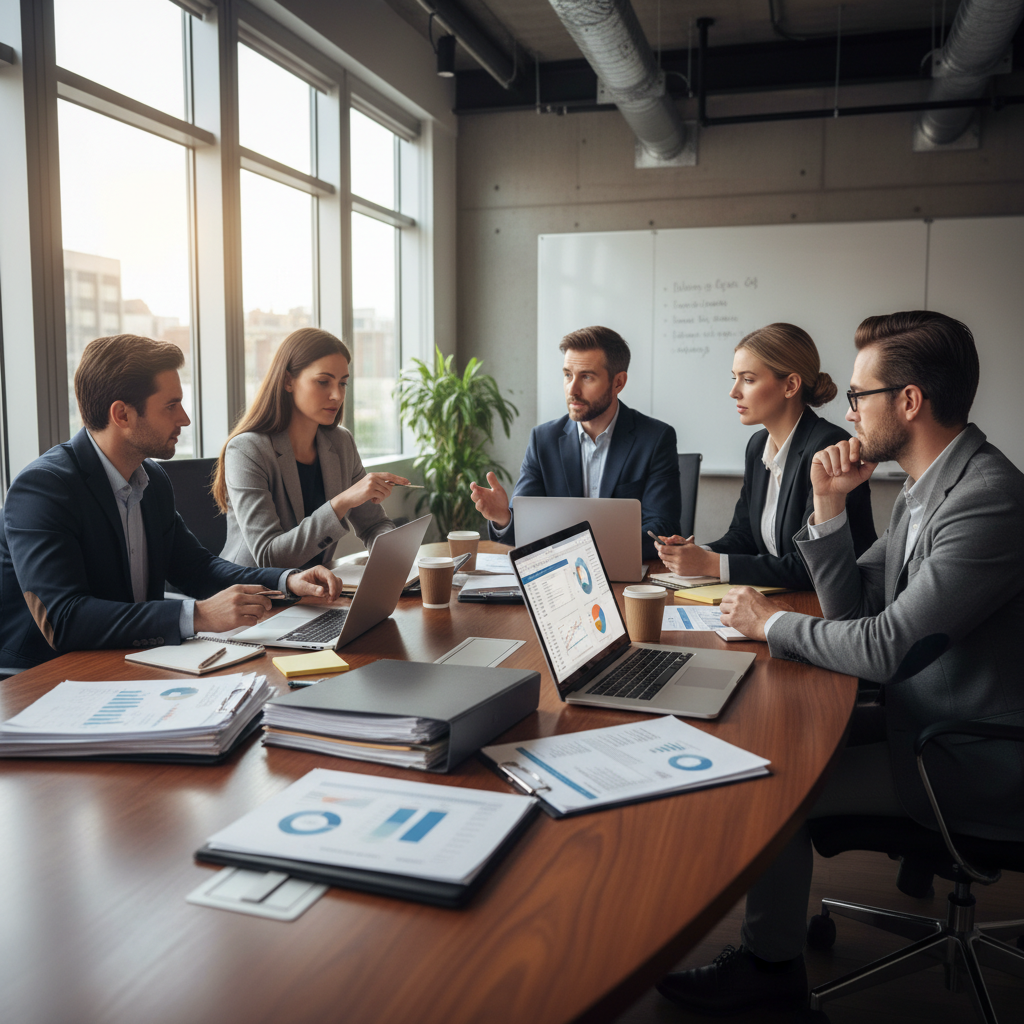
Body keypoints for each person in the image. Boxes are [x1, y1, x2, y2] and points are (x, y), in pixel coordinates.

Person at [656, 310, 1024, 1016]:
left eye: (859, 395)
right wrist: (826, 504)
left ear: (908, 402)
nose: (847, 409)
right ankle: (769, 955)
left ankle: (769, 974)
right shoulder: (928, 487)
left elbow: (884, 648)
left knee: (774, 788)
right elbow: (855, 612)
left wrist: (773, 623)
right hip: (924, 719)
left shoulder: (986, 501)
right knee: (776, 741)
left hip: (968, 756)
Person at [0, 334, 343, 672]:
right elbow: (64, 619)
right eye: (171, 405)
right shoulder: (44, 488)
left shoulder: (151, 479)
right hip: (46, 675)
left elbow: (197, 569)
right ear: (122, 415)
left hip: (128, 657)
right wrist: (199, 615)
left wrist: (286, 581)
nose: (185, 419)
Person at [655, 323, 876, 589]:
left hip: (831, 609)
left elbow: (812, 564)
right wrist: (696, 552)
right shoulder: (758, 445)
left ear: (791, 385)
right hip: (781, 600)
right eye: (734, 378)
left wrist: (710, 564)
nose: (734, 392)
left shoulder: (829, 447)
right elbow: (743, 535)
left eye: (748, 380)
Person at [470, 326, 681, 561]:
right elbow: (527, 528)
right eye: (568, 375)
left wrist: (584, 550)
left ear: (618, 382)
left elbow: (662, 527)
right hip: (559, 576)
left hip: (626, 575)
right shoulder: (543, 440)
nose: (573, 389)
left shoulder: (655, 439)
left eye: (587, 377)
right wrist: (503, 518)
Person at [213, 328, 409, 569]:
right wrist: (341, 502)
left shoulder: (341, 443)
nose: (337, 395)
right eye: (323, 382)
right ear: (288, 381)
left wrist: (393, 560)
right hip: (254, 594)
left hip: (315, 592)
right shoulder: (247, 450)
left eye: (343, 383)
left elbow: (373, 525)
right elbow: (268, 557)